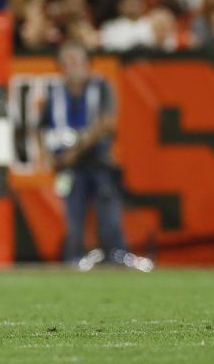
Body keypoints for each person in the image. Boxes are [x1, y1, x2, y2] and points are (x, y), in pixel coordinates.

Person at [40, 42, 153, 272]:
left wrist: (76, 150)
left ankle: (116, 258)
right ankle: (75, 262)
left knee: (109, 217)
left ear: (87, 64)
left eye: (77, 60)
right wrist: (49, 157)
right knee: (73, 219)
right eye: (67, 61)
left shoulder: (101, 87)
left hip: (98, 162)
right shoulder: (54, 93)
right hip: (68, 168)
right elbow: (40, 128)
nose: (72, 66)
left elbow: (106, 123)